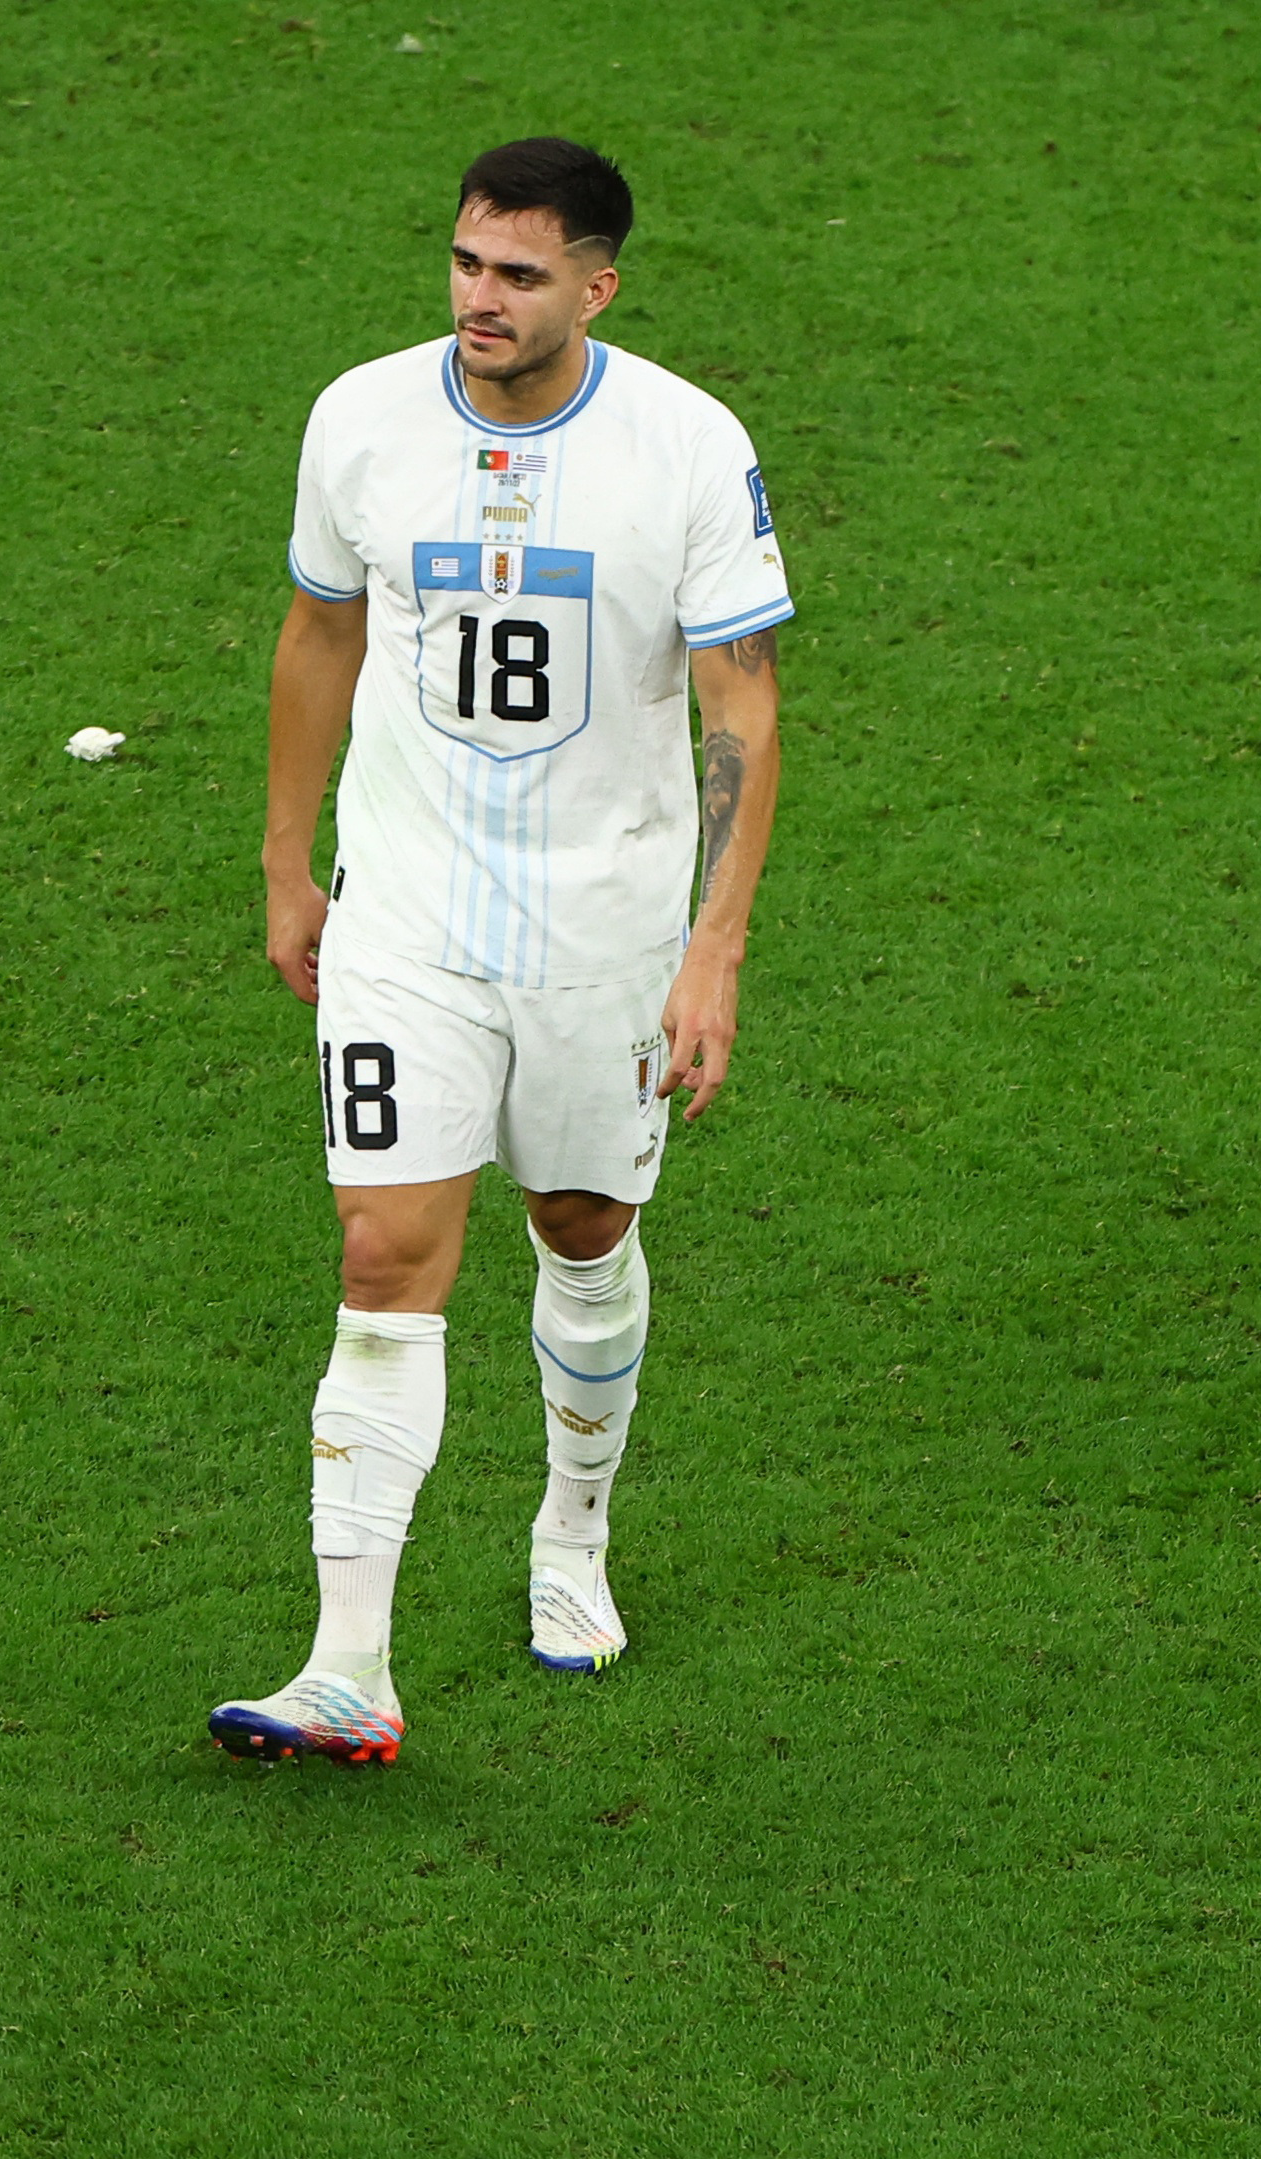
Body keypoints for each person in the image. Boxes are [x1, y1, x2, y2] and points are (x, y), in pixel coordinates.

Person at [211, 137, 793, 1765]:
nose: (482, 299)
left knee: (580, 1222)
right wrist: (281, 862)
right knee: (384, 1256)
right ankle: (346, 1668)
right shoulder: (363, 418)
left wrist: (713, 948)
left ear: (595, 286)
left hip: (607, 927)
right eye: (469, 262)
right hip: (407, 914)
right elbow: (321, 632)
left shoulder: (685, 447)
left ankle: (572, 1533)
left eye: (522, 275)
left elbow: (744, 699)